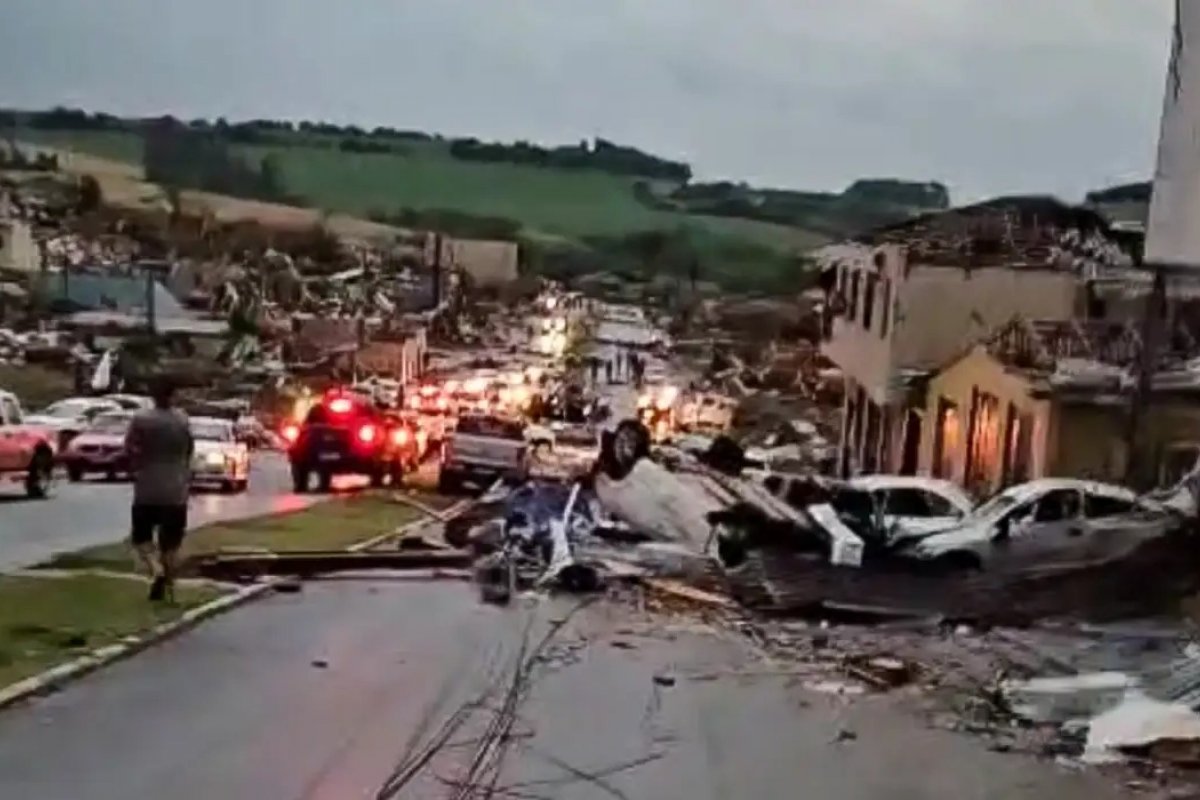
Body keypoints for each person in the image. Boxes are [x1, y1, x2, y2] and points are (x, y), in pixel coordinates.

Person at [124, 378, 194, 602]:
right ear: (173, 396)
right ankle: (170, 589)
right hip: (176, 489)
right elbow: (189, 449)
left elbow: (130, 448)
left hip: (147, 487)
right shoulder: (182, 420)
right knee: (171, 543)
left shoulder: (141, 419)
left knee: (141, 538)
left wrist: (136, 467)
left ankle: (156, 569)